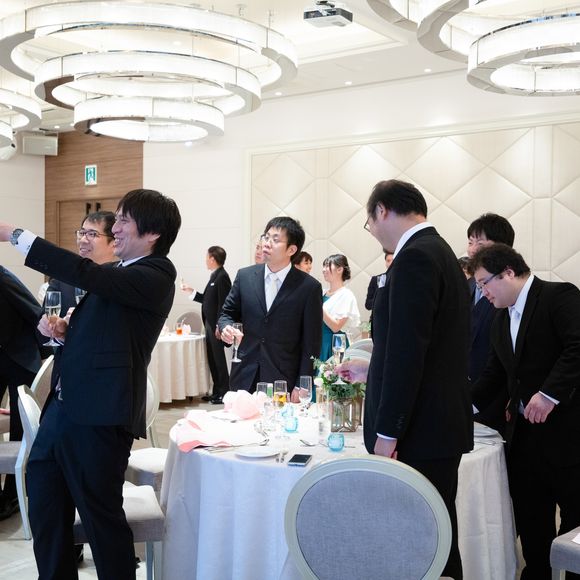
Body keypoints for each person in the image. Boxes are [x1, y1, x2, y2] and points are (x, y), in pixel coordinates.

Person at [0, 188, 181, 580]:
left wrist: (15, 235)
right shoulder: (120, 273)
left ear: (152, 233)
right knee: (47, 512)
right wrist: (67, 332)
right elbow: (107, 335)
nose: (115, 229)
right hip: (62, 411)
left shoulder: (156, 273)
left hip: (100, 418)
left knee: (102, 523)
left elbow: (85, 273)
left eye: (124, 221)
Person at [338, 179, 472, 580]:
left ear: (381, 211)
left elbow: (407, 351)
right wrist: (371, 369)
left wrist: (388, 432)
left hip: (419, 429)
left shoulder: (415, 257)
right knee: (436, 532)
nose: (373, 232)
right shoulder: (440, 252)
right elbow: (426, 348)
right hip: (437, 423)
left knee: (420, 536)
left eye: (370, 223)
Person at [471, 244, 580, 580]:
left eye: (485, 283)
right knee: (532, 523)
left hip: (568, 434)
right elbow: (495, 375)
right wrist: (461, 407)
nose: (483, 292)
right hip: (524, 437)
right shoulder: (501, 318)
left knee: (574, 519)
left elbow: (577, 346)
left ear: (508, 272)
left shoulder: (558, 296)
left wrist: (548, 394)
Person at [39, 210, 117, 565]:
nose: (83, 239)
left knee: (95, 497)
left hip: (99, 406)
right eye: (80, 232)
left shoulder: (121, 282)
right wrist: (51, 332)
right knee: (46, 488)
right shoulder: (63, 279)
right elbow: (46, 331)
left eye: (92, 234)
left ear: (113, 242)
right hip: (62, 396)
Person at [219, 216, 322, 394]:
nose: (267, 243)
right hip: (244, 374)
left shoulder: (308, 287)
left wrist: (303, 384)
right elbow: (226, 313)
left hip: (283, 379)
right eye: (266, 237)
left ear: (291, 249)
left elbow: (311, 342)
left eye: (275, 239)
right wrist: (226, 327)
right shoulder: (245, 276)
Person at [0, 266, 44, 520]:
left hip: (21, 358)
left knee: (20, 425)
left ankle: (14, 494)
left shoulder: (3, 277)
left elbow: (35, 312)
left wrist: (47, 357)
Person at [466, 213, 515, 433]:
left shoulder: (510, 287)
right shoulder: (466, 285)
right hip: (467, 389)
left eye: (480, 243)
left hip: (498, 395)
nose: (472, 249)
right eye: (470, 242)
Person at [181, 246, 232, 405]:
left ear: (212, 259)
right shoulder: (214, 276)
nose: (205, 260)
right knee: (212, 359)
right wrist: (191, 291)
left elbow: (224, 304)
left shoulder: (222, 277)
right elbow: (207, 299)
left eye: (206, 257)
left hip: (216, 325)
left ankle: (224, 393)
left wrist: (219, 326)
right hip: (210, 323)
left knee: (218, 361)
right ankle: (216, 391)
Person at [319, 254, 360, 361]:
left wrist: (318, 306)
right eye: (323, 266)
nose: (324, 270)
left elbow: (336, 327)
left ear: (339, 269)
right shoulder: (322, 293)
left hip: (335, 344)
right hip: (318, 342)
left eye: (327, 266)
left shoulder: (347, 295)